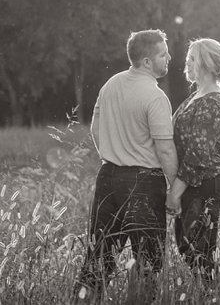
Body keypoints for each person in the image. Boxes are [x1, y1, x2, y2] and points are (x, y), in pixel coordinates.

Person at [75, 29, 178, 301]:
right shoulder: (155, 97)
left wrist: (113, 155)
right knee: (147, 262)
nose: (169, 57)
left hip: (108, 177)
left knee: (98, 258)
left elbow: (95, 129)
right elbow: (165, 149)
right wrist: (175, 189)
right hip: (144, 183)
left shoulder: (111, 84)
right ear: (146, 61)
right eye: (162, 53)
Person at [165, 38, 220, 282]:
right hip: (192, 181)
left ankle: (210, 294)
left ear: (206, 63)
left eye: (192, 59)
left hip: (206, 181)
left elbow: (197, 155)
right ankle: (207, 291)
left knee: (198, 254)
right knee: (187, 247)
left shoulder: (213, 101)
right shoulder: (197, 96)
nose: (187, 64)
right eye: (188, 58)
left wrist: (174, 194)